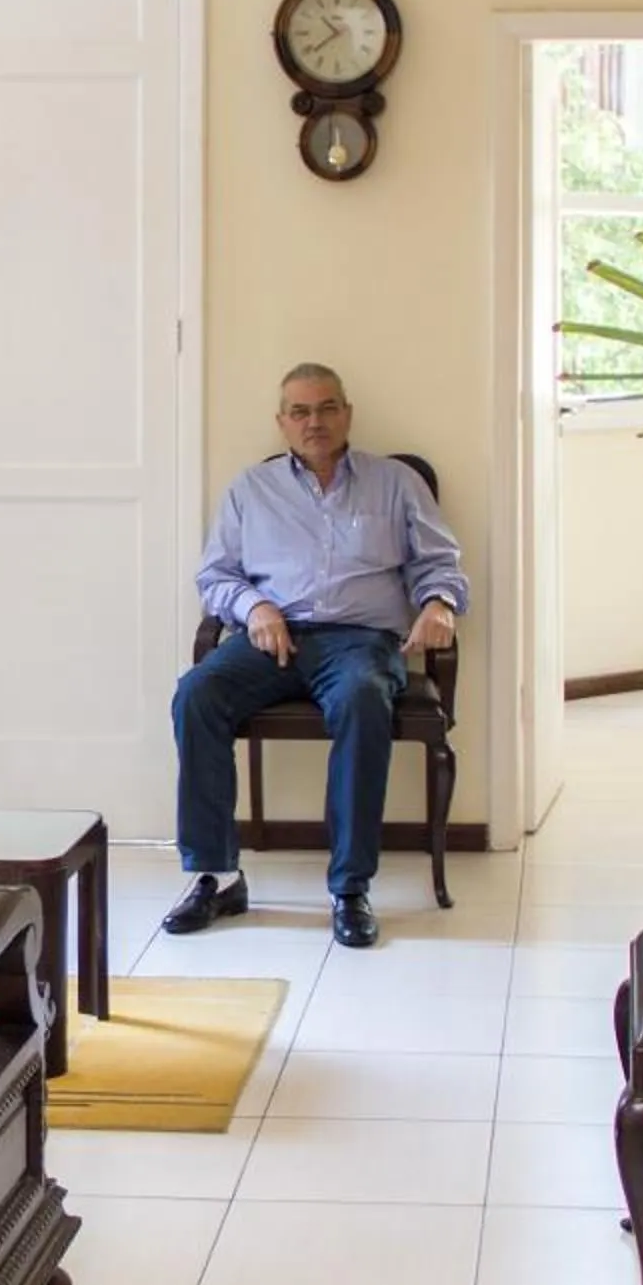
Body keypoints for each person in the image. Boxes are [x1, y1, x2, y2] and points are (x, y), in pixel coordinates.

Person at [167, 362, 468, 949]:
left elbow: (440, 563)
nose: (315, 422)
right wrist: (255, 608)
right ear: (282, 422)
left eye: (327, 408)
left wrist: (438, 605)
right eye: (300, 411)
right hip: (271, 639)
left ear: (347, 414)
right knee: (196, 693)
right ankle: (215, 874)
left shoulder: (394, 482)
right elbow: (216, 575)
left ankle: (350, 887)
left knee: (362, 699)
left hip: (361, 641)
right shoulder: (250, 489)